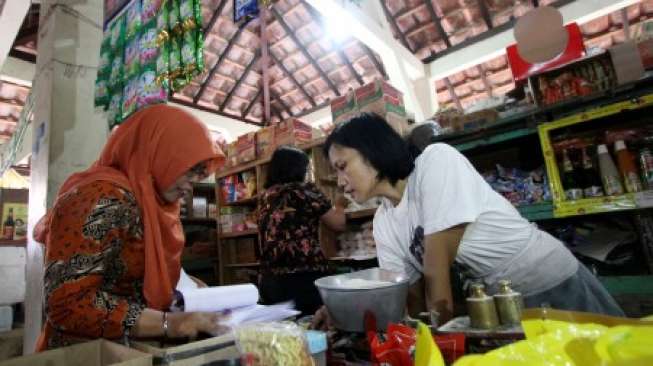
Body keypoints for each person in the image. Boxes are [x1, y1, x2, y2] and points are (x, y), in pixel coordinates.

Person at [316, 112, 623, 326]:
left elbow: (436, 271)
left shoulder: (436, 163)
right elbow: (407, 294)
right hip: (495, 301)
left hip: (550, 282)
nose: (341, 182)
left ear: (373, 149)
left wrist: (442, 342)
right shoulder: (384, 220)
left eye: (343, 166)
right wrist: (342, 308)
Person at [34, 104, 227, 351]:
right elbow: (69, 303)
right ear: (159, 152)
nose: (191, 187)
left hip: (131, 349)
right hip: (89, 353)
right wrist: (168, 323)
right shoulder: (99, 198)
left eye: (199, 176)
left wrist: (188, 288)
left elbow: (136, 269)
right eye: (188, 172)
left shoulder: (155, 202)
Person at [258, 146, 346, 316]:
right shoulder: (304, 192)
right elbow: (338, 224)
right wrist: (341, 204)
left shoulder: (266, 196)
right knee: (312, 330)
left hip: (269, 280)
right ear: (299, 169)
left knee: (283, 335)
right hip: (302, 278)